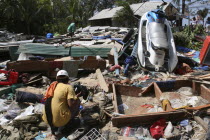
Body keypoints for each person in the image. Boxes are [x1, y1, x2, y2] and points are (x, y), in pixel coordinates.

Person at [42, 70, 80, 135]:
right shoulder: (68, 87)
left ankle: (54, 127)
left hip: (46, 118)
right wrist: (76, 98)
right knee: (77, 101)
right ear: (67, 79)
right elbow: (71, 105)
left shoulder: (52, 85)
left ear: (57, 78)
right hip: (59, 122)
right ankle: (68, 123)